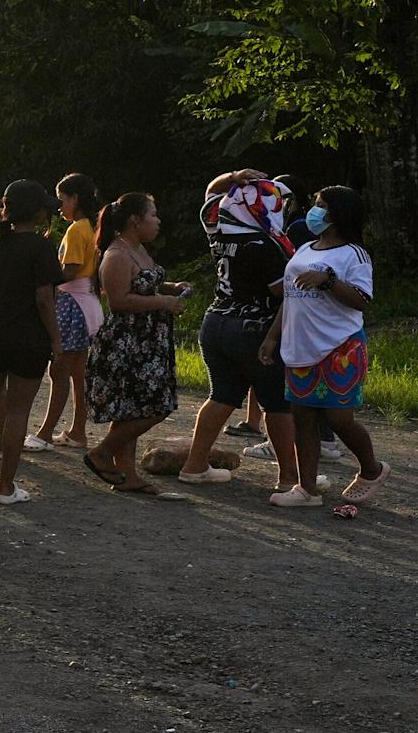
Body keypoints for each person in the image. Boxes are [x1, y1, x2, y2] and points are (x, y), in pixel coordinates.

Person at [264, 185, 389, 508]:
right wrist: (273, 336)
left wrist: (329, 281)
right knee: (303, 416)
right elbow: (291, 297)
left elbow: (361, 301)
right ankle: (307, 490)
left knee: (338, 419)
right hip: (300, 347)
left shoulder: (354, 254)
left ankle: (372, 470)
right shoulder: (305, 248)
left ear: (338, 214)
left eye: (320, 205)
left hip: (340, 347)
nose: (313, 211)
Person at [178, 171, 302, 492]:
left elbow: (210, 193)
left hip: (216, 323)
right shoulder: (264, 244)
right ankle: (289, 478)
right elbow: (281, 291)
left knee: (220, 396)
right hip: (255, 330)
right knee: (277, 404)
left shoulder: (218, 230)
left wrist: (235, 177)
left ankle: (195, 465)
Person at [0, 179, 64, 505]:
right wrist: (56, 339)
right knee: (18, 410)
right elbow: (44, 299)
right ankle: (6, 488)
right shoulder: (41, 247)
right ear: (37, 212)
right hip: (28, 339)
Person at [82, 192, 189, 495]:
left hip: (147, 341)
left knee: (133, 409)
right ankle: (101, 453)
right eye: (153, 215)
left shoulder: (138, 249)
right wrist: (163, 302)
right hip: (127, 343)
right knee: (155, 407)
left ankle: (127, 475)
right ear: (134, 220)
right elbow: (119, 301)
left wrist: (172, 287)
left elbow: (144, 283)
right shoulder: (117, 254)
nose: (158, 221)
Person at [31, 172, 103, 449]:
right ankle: (77, 431)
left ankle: (45, 433)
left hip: (72, 305)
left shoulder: (76, 230)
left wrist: (44, 279)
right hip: (88, 304)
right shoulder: (92, 227)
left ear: (75, 198)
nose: (59, 206)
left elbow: (69, 271)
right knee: (77, 373)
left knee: (59, 370)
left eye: (62, 199)